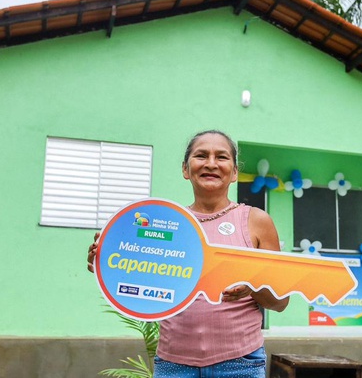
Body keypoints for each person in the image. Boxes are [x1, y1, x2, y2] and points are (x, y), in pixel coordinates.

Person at [87, 130, 289, 377]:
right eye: (201, 155)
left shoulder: (256, 221)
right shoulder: (166, 222)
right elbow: (144, 276)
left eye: (222, 157)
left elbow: (280, 302)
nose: (211, 164)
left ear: (235, 171)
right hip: (173, 365)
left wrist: (252, 283)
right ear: (186, 169)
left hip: (240, 364)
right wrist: (107, 260)